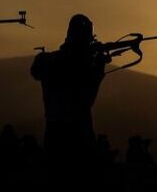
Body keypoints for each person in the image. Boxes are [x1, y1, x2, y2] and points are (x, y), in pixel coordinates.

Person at [30, 14, 107, 157]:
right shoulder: (70, 64)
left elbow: (36, 71)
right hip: (78, 136)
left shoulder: (49, 60)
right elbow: (86, 100)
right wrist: (98, 68)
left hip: (54, 134)